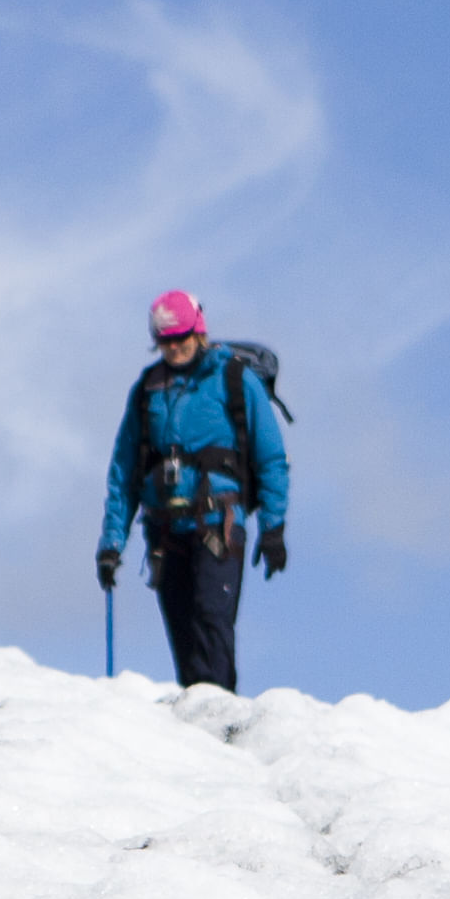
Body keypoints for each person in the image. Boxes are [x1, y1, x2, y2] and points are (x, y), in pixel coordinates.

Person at [99, 290, 289, 690]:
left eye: (181, 338)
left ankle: (220, 723)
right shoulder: (148, 390)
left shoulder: (234, 379)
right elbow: (124, 472)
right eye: (165, 341)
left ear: (198, 331)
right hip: (165, 533)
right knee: (184, 638)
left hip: (219, 524)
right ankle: (196, 732)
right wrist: (111, 544)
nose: (174, 348)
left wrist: (273, 529)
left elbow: (271, 457)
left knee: (212, 623)